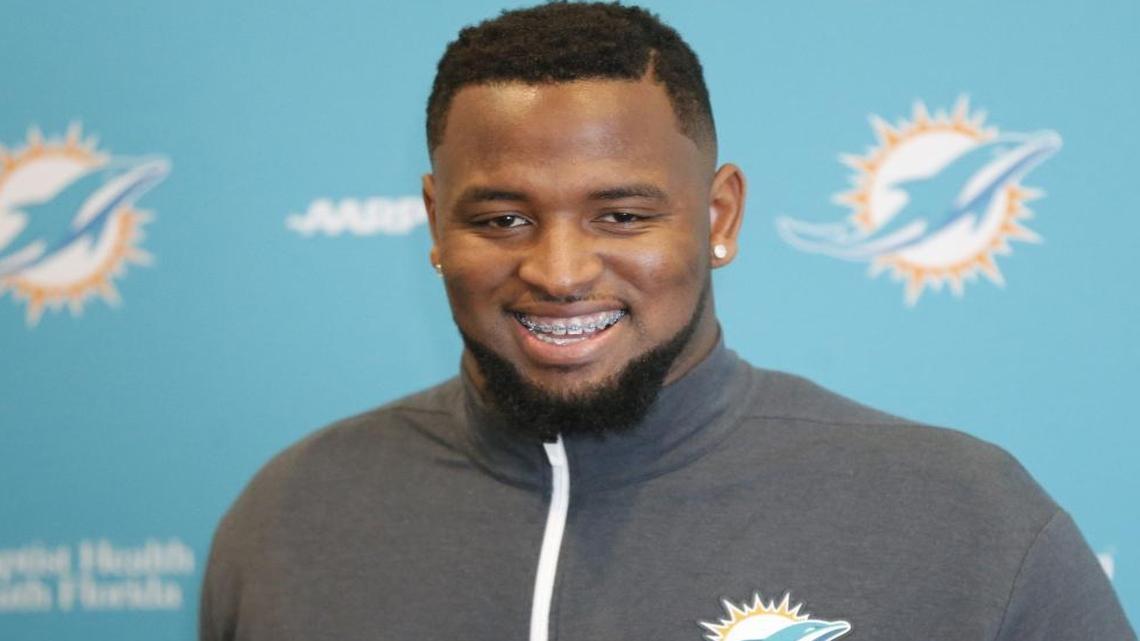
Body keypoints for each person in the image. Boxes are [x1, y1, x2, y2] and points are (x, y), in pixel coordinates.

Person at [200, 3, 1135, 640]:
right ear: (435, 224)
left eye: (623, 215)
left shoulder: (965, 516)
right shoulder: (288, 515)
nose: (559, 272)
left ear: (719, 216)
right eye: (501, 219)